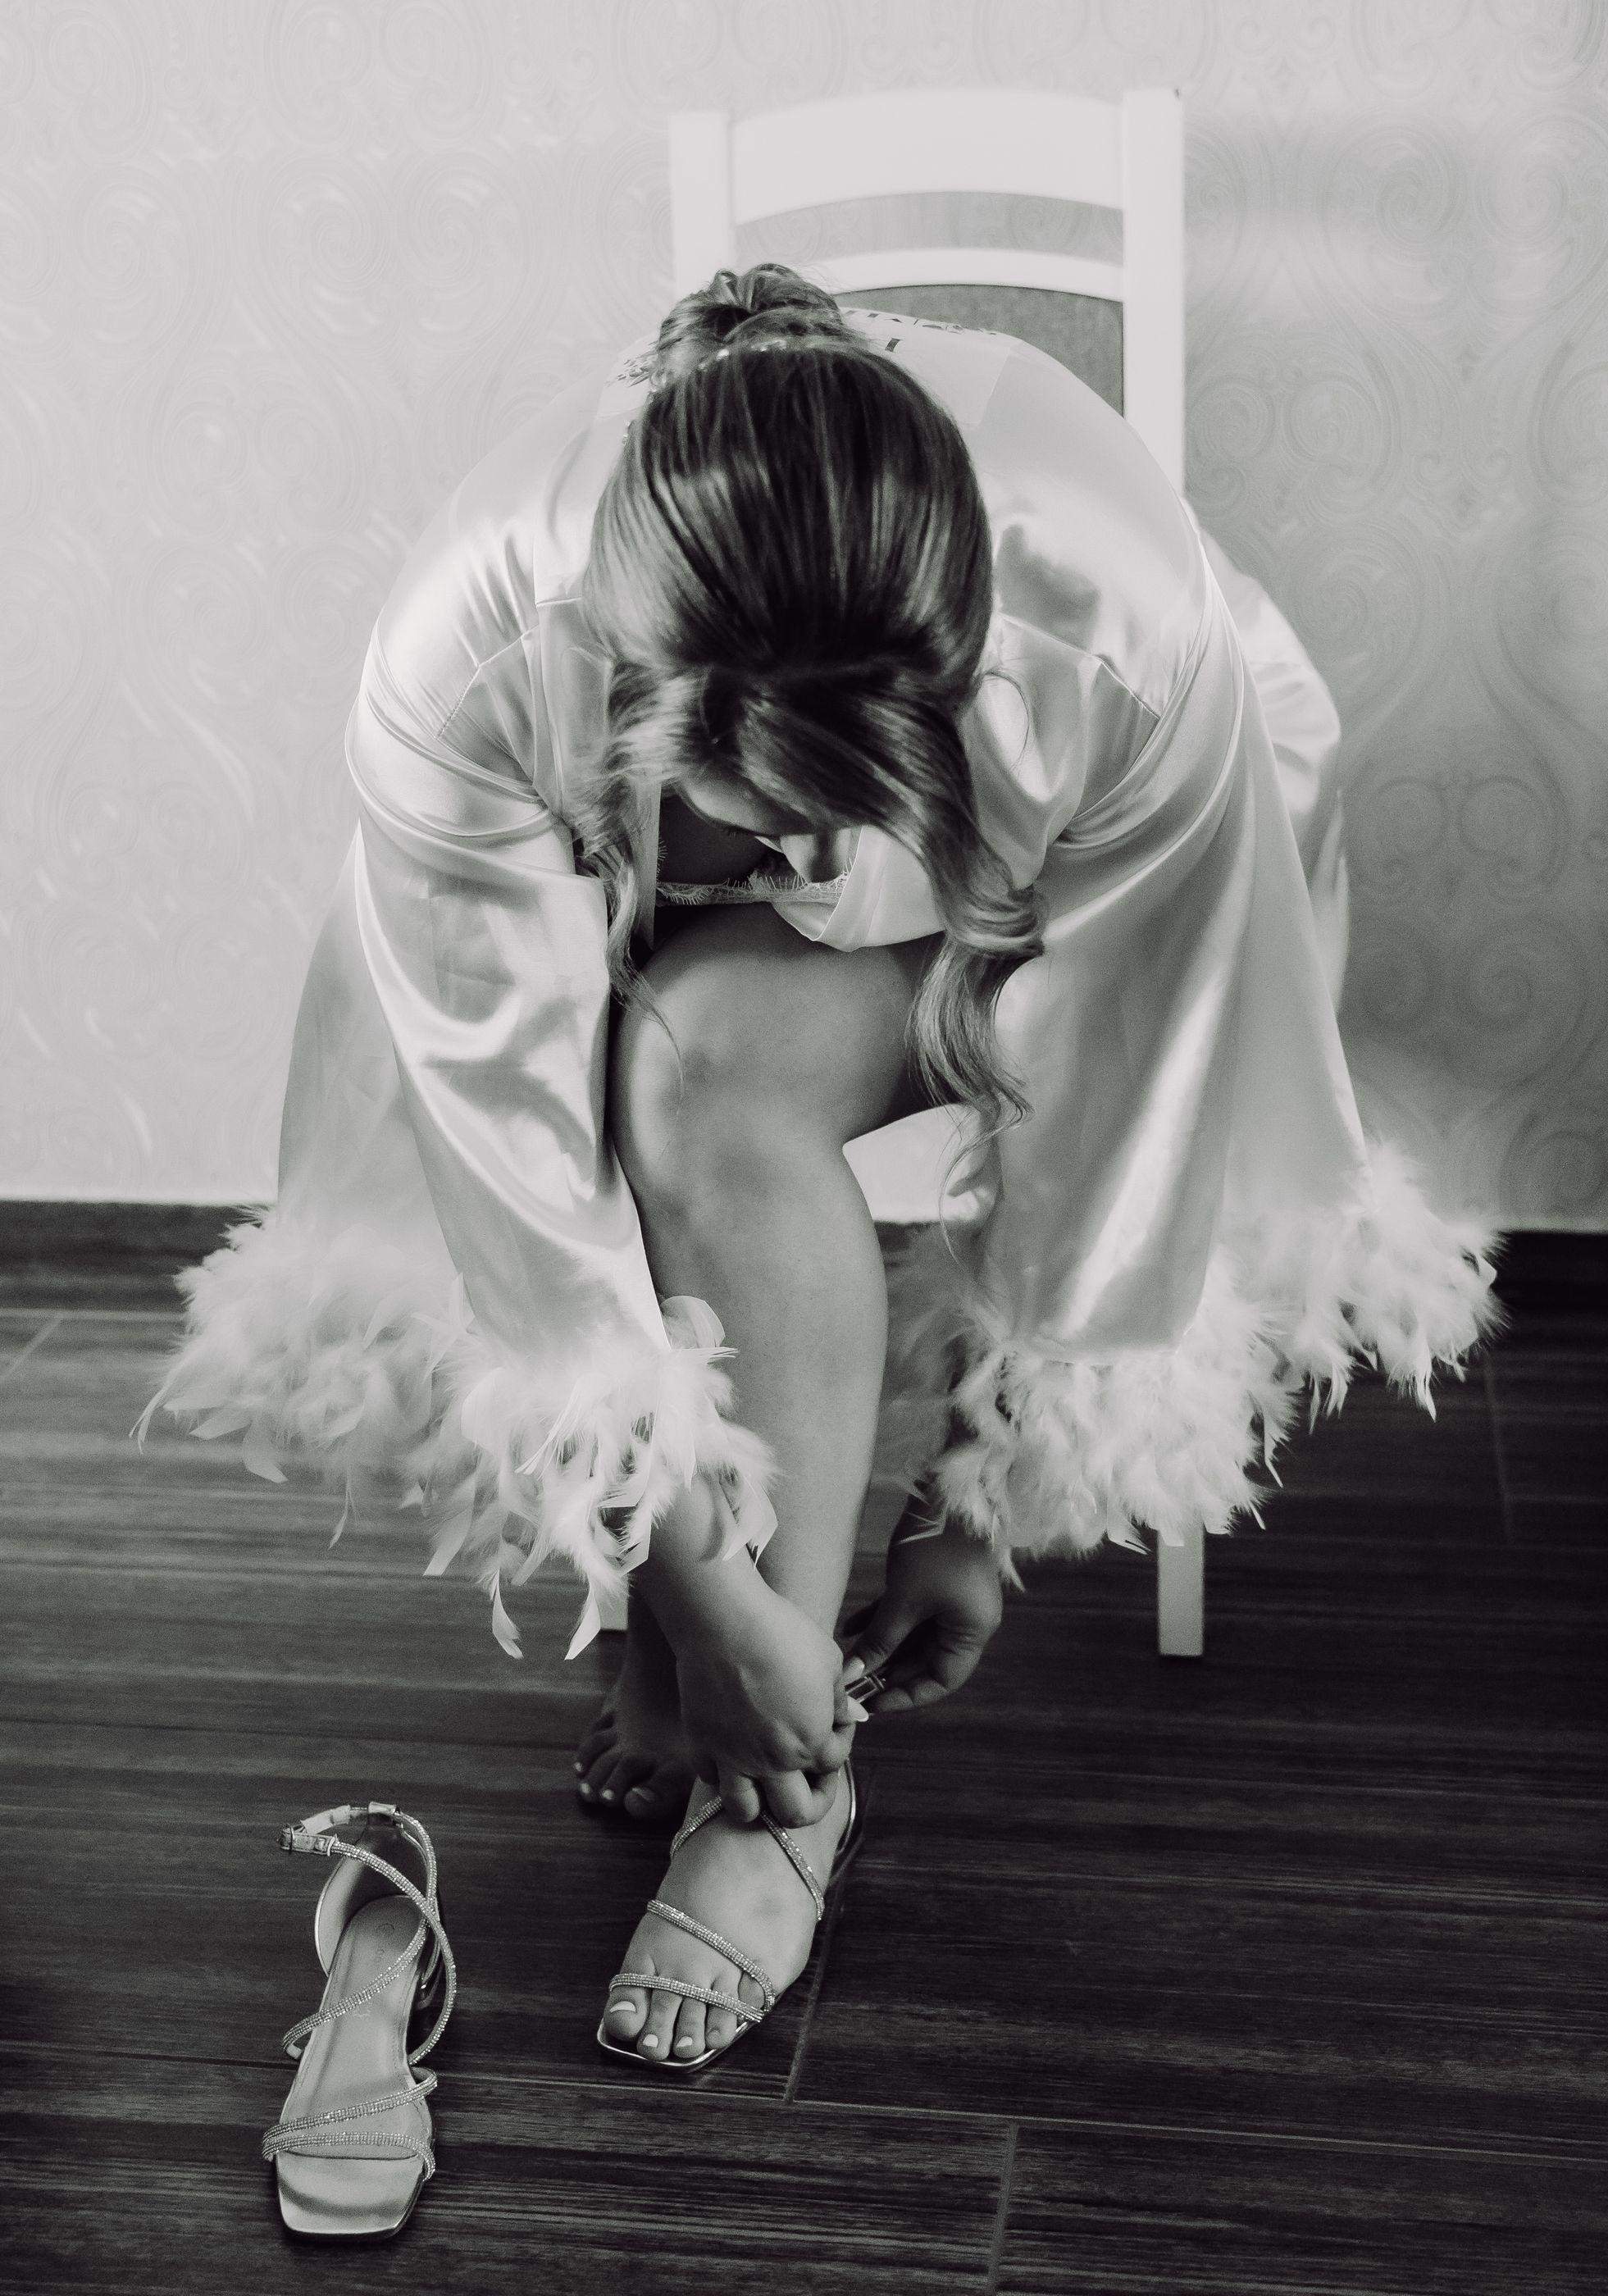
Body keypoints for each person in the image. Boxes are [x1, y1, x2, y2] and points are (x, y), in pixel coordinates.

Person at [140, 264, 1496, 2069]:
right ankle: (725, 1672)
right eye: (763, 820)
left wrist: (973, 1512)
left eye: (846, 808)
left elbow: (1135, 1085)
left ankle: (770, 1798)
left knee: (708, 1071)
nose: (808, 862)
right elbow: (516, 1187)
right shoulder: (472, 660)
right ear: (639, 699)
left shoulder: (1117, 638)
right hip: (603, 817)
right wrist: (699, 1594)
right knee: (643, 1063)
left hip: (1069, 861)